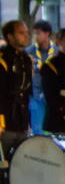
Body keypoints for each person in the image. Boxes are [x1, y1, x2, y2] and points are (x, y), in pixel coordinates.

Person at [0, 20, 33, 162]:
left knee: (20, 164)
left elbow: (26, 90)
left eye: (26, 32)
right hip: (5, 121)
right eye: (21, 33)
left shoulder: (26, 59)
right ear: (10, 36)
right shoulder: (2, 59)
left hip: (22, 120)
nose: (26, 36)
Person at [27, 19, 55, 136]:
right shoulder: (29, 52)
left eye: (38, 33)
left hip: (52, 96)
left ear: (47, 33)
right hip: (36, 95)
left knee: (51, 130)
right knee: (37, 130)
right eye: (34, 33)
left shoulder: (57, 53)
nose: (35, 36)